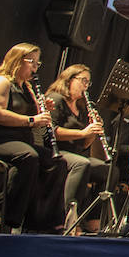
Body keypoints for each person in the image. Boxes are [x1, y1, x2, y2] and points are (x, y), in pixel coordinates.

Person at [0, 43, 69, 233]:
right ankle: (1, 216)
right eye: (32, 62)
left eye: (38, 63)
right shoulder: (0, 82)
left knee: (57, 162)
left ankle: (41, 223)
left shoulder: (27, 88)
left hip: (15, 142)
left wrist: (42, 108)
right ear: (17, 61)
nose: (35, 68)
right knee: (28, 157)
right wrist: (31, 119)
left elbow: (28, 116)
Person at [46, 63, 110, 233]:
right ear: (69, 79)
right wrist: (83, 132)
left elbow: (84, 144)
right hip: (55, 151)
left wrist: (93, 131)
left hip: (74, 153)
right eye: (83, 81)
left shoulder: (80, 107)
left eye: (88, 83)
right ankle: (68, 217)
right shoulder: (56, 99)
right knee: (81, 164)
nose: (85, 86)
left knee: (109, 171)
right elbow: (51, 131)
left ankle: (93, 220)